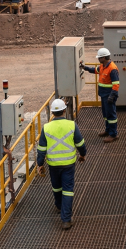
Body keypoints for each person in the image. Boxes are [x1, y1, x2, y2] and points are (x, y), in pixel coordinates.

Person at [37, 98, 86, 230]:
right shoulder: (71, 125)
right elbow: (80, 143)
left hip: (53, 164)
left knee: (56, 187)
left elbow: (41, 148)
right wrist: (82, 155)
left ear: (52, 112)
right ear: (64, 111)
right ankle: (66, 219)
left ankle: (59, 206)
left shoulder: (46, 127)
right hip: (68, 164)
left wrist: (39, 163)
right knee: (68, 190)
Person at [80, 47, 120, 142]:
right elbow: (95, 70)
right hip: (103, 94)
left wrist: (112, 96)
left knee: (111, 115)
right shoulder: (103, 66)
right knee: (106, 114)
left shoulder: (112, 68)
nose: (98, 59)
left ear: (105, 57)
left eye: (100, 57)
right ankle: (108, 130)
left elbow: (116, 84)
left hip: (109, 95)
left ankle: (113, 134)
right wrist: (84, 67)